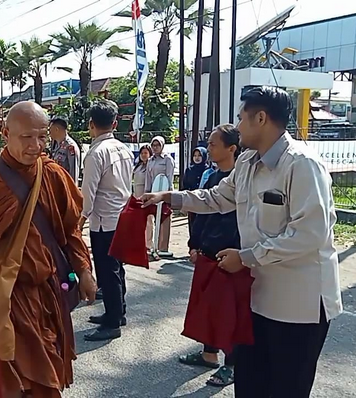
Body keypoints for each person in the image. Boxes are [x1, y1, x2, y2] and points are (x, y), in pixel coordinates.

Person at [140, 86, 342, 398]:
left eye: (240, 118)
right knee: (249, 384)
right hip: (255, 298)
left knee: (285, 389)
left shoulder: (301, 165)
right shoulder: (247, 163)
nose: (237, 126)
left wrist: (246, 257)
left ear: (261, 118)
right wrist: (169, 196)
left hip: (298, 307)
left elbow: (309, 235)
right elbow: (218, 197)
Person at [0, 101, 97, 398]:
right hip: (6, 298)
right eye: (26, 137)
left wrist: (84, 270)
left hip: (47, 295)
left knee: (46, 377)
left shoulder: (52, 175)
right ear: (5, 133)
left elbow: (70, 230)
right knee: (13, 382)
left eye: (42, 136)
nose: (36, 145)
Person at [178, 124, 241, 387]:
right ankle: (209, 353)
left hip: (231, 256)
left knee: (230, 313)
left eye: (214, 143)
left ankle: (231, 365)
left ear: (232, 148)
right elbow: (202, 211)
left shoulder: (242, 180)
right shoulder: (213, 177)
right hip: (208, 252)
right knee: (208, 308)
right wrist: (195, 244)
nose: (209, 147)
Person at [79, 99, 133, 342]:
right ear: (114, 123)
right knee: (117, 268)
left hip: (103, 220)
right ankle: (117, 311)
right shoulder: (124, 148)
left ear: (91, 124)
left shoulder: (96, 153)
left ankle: (112, 322)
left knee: (106, 270)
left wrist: (79, 220)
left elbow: (88, 193)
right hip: (121, 215)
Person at [145, 135, 175, 257]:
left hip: (164, 193)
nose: (155, 148)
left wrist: (168, 194)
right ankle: (151, 245)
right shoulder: (150, 160)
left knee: (164, 219)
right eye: (153, 145)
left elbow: (169, 177)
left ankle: (163, 247)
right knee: (150, 218)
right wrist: (146, 193)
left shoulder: (167, 160)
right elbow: (148, 178)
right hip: (153, 192)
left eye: (157, 145)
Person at [181, 147, 209, 236]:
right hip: (192, 201)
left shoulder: (208, 171)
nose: (197, 158)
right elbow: (185, 185)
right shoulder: (189, 170)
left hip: (205, 201)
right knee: (192, 225)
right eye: (195, 155)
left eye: (199, 155)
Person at [133, 144, 154, 251]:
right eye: (142, 153)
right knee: (138, 220)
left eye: (146, 153)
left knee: (148, 220)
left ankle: (148, 244)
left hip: (146, 195)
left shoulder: (150, 166)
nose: (143, 155)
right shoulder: (138, 166)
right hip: (136, 194)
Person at [49, 116, 81, 183]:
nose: (49, 132)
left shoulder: (70, 147)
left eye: (50, 129)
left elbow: (73, 172)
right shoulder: (55, 144)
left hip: (64, 185)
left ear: (56, 129)